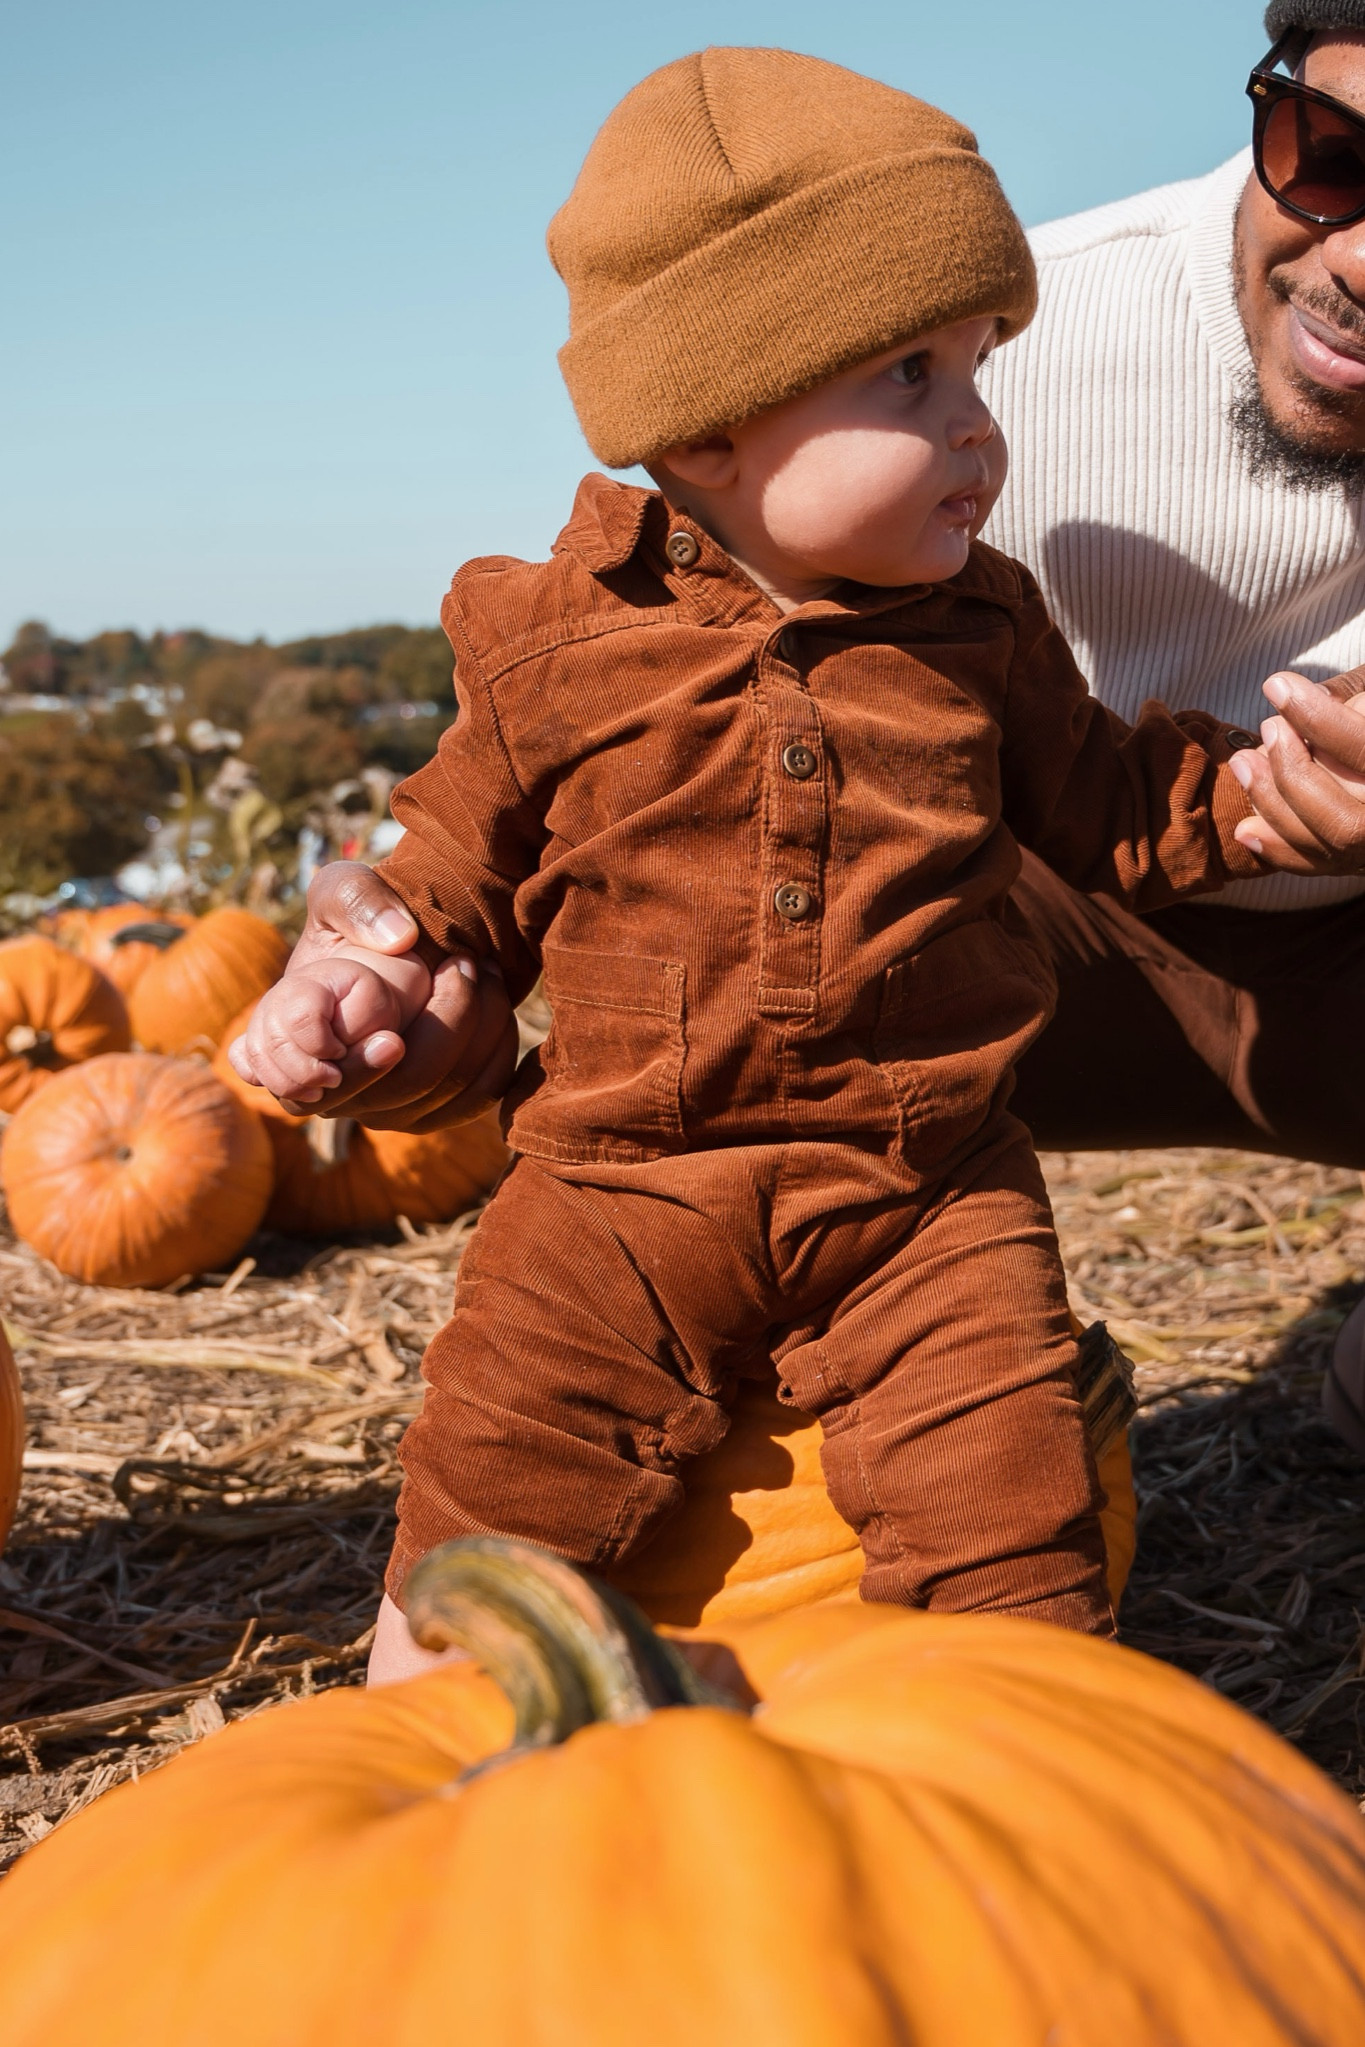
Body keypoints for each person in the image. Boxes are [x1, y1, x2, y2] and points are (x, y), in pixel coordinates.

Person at [234, 48, 1345, 1684]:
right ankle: (412, 1766)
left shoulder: (984, 630)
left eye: (980, 370)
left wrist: (1260, 796)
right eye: (912, 377)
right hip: (619, 1184)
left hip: (925, 1175)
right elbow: (448, 866)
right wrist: (360, 969)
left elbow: (1122, 800)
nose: (978, 429)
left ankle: (1020, 1756)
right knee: (493, 1499)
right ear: (704, 418)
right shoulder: (554, 643)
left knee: (1012, 1512)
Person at [979, 2, 1365, 1451]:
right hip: (1031, 944)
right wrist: (424, 911)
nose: (1360, 262)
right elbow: (662, 653)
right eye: (1332, 154)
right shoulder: (1003, 348)